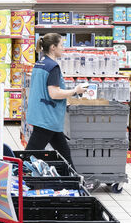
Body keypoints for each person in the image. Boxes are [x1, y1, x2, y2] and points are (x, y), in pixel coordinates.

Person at [25, 32, 88, 165]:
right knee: (29, 156)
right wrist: (75, 91)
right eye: (61, 45)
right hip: (47, 118)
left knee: (64, 153)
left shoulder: (40, 64)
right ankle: (16, 174)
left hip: (42, 115)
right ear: (53, 47)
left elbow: (42, 90)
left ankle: (74, 178)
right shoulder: (52, 67)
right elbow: (54, 93)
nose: (63, 48)